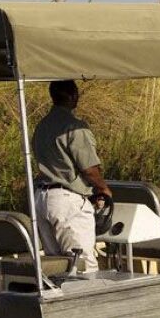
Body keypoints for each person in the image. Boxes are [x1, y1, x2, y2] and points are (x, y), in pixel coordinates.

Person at [31, 80, 112, 273]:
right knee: (82, 262)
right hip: (66, 200)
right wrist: (103, 188)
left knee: (56, 263)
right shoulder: (74, 127)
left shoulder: (42, 126)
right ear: (72, 95)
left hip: (41, 198)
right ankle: (88, 301)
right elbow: (89, 168)